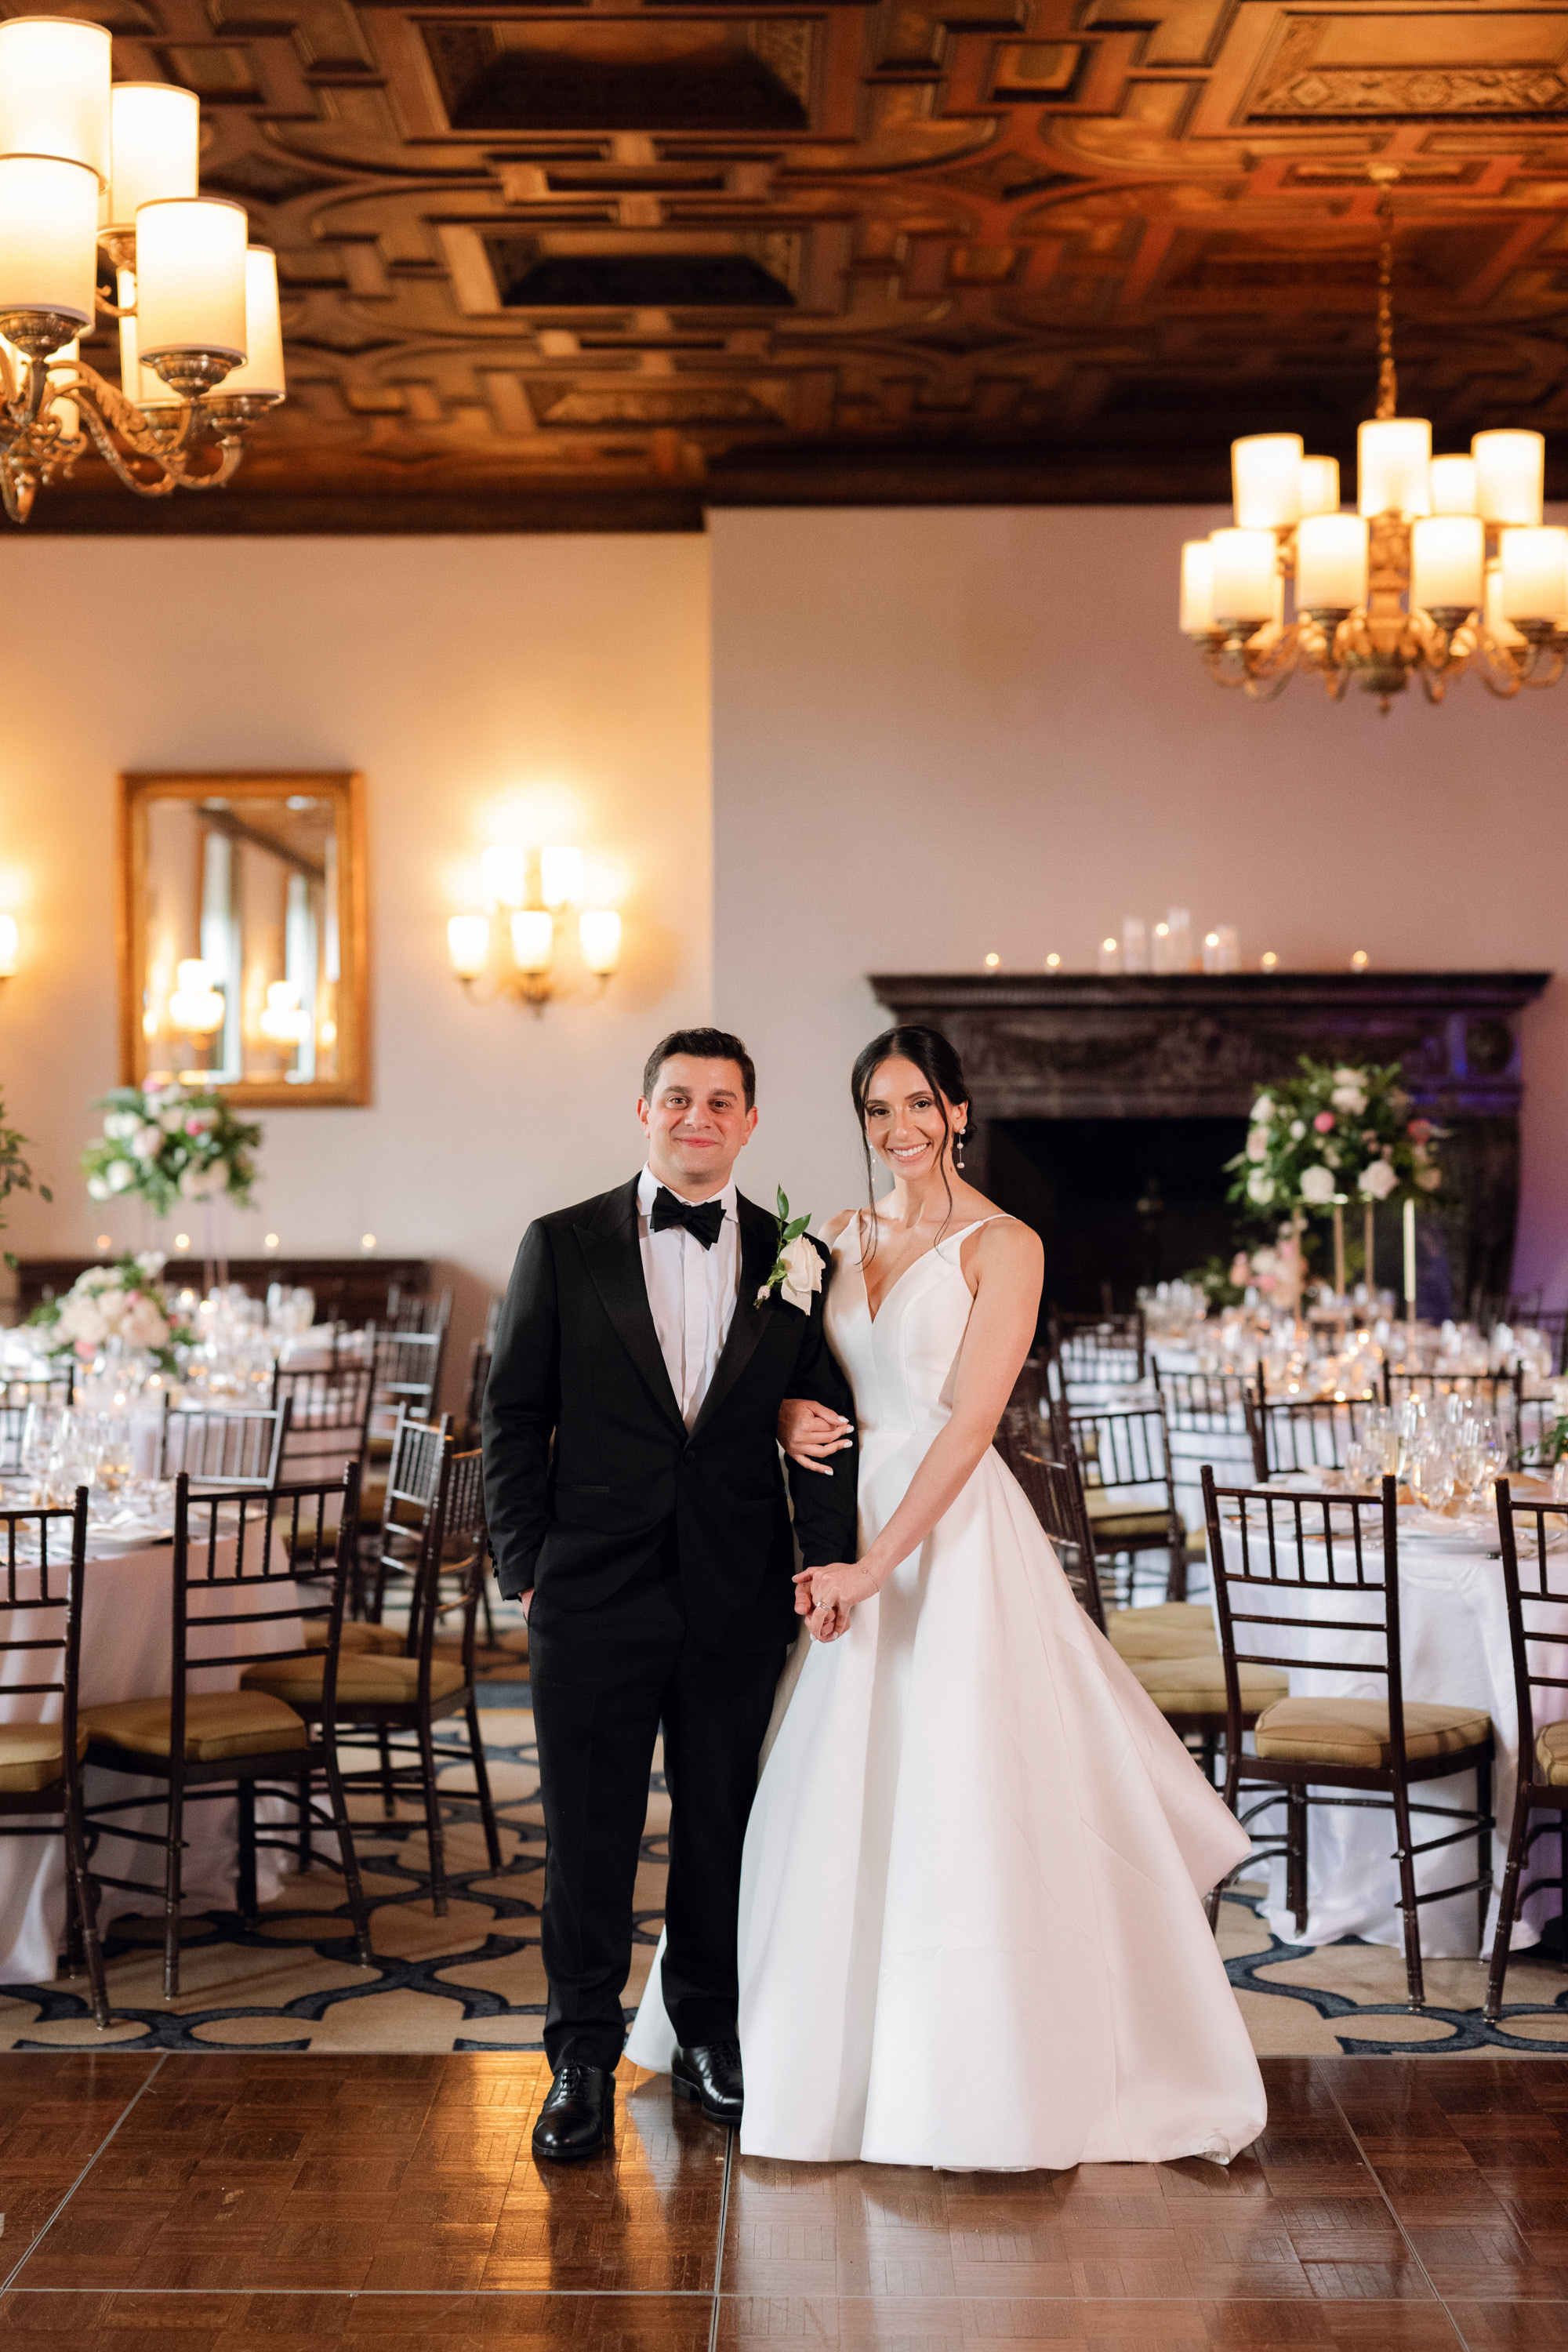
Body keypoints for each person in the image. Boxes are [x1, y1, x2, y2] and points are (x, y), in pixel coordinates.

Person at [628, 1024, 1266, 2169]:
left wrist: (880, 1568)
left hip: (949, 1536)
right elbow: (775, 1373)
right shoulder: (829, 1232)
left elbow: (971, 1424)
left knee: (958, 1794)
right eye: (879, 1110)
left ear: (959, 1113)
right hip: (835, 1528)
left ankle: (962, 2074)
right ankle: (781, 2042)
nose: (901, 1130)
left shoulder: (1003, 1245)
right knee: (818, 1786)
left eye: (921, 1106)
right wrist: (782, 1421)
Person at [484, 1026, 858, 2162]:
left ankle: (708, 2036)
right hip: (590, 1593)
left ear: (751, 1123)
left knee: (720, 1829)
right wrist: (529, 1569)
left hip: (735, 1590)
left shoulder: (800, 1256)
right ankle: (580, 2061)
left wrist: (823, 1558)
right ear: (642, 1111)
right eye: (679, 1099)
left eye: (722, 1102)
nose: (700, 1118)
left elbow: (821, 1418)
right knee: (588, 1839)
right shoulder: (561, 1243)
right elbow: (509, 1415)